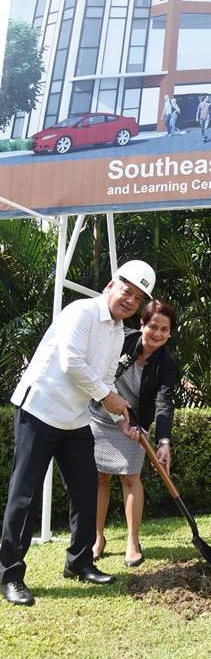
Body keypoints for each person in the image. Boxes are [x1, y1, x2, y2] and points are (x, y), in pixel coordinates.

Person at [0, 260, 156, 607]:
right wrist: (107, 397)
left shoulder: (117, 333)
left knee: (86, 490)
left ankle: (80, 561)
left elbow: (102, 381)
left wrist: (121, 422)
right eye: (126, 290)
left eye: (138, 297)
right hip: (39, 409)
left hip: (74, 419)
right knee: (23, 496)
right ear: (110, 286)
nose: (130, 300)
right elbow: (72, 363)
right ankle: (10, 575)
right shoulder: (82, 312)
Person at [90, 299, 178, 568]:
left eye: (164, 329)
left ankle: (132, 541)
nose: (158, 334)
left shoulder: (167, 363)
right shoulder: (121, 340)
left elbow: (164, 402)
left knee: (131, 478)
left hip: (134, 425)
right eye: (153, 326)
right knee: (99, 478)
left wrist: (164, 441)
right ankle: (97, 538)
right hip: (100, 415)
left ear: (170, 333)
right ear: (142, 325)